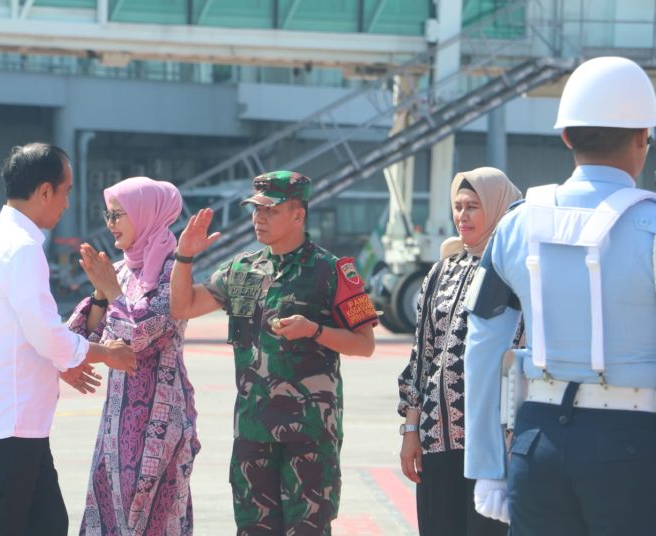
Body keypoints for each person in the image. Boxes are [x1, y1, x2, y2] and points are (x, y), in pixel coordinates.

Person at [464, 56, 656, 535]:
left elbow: (482, 345)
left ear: (566, 135)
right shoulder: (650, 226)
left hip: (537, 438)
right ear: (642, 138)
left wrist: (487, 464)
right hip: (634, 442)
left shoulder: (517, 224)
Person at [170, 170, 378, 535]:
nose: (258, 219)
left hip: (310, 435)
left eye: (270, 211)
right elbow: (183, 306)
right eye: (255, 210)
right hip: (253, 431)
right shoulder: (241, 269)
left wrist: (314, 330)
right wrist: (183, 257)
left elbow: (365, 344)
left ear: (298, 215)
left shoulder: (333, 271)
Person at [0, 142, 136, 536]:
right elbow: (43, 333)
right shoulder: (20, 248)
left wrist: (68, 359)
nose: (67, 203)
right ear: (43, 192)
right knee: (5, 525)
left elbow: (28, 329)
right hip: (13, 414)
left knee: (47, 522)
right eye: (66, 191)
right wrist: (105, 353)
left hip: (14, 412)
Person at [68, 177, 200, 535]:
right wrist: (100, 293)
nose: (110, 224)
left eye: (118, 215)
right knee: (109, 514)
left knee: (151, 518)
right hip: (117, 421)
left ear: (146, 215)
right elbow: (83, 337)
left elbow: (142, 335)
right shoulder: (123, 269)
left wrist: (111, 290)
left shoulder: (174, 269)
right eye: (107, 215)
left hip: (159, 425)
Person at [397, 167, 521, 536]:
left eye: (473, 207)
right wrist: (410, 428)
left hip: (495, 445)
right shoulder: (441, 271)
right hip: (438, 441)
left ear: (499, 208)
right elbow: (422, 356)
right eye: (458, 206)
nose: (462, 216)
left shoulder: (513, 271)